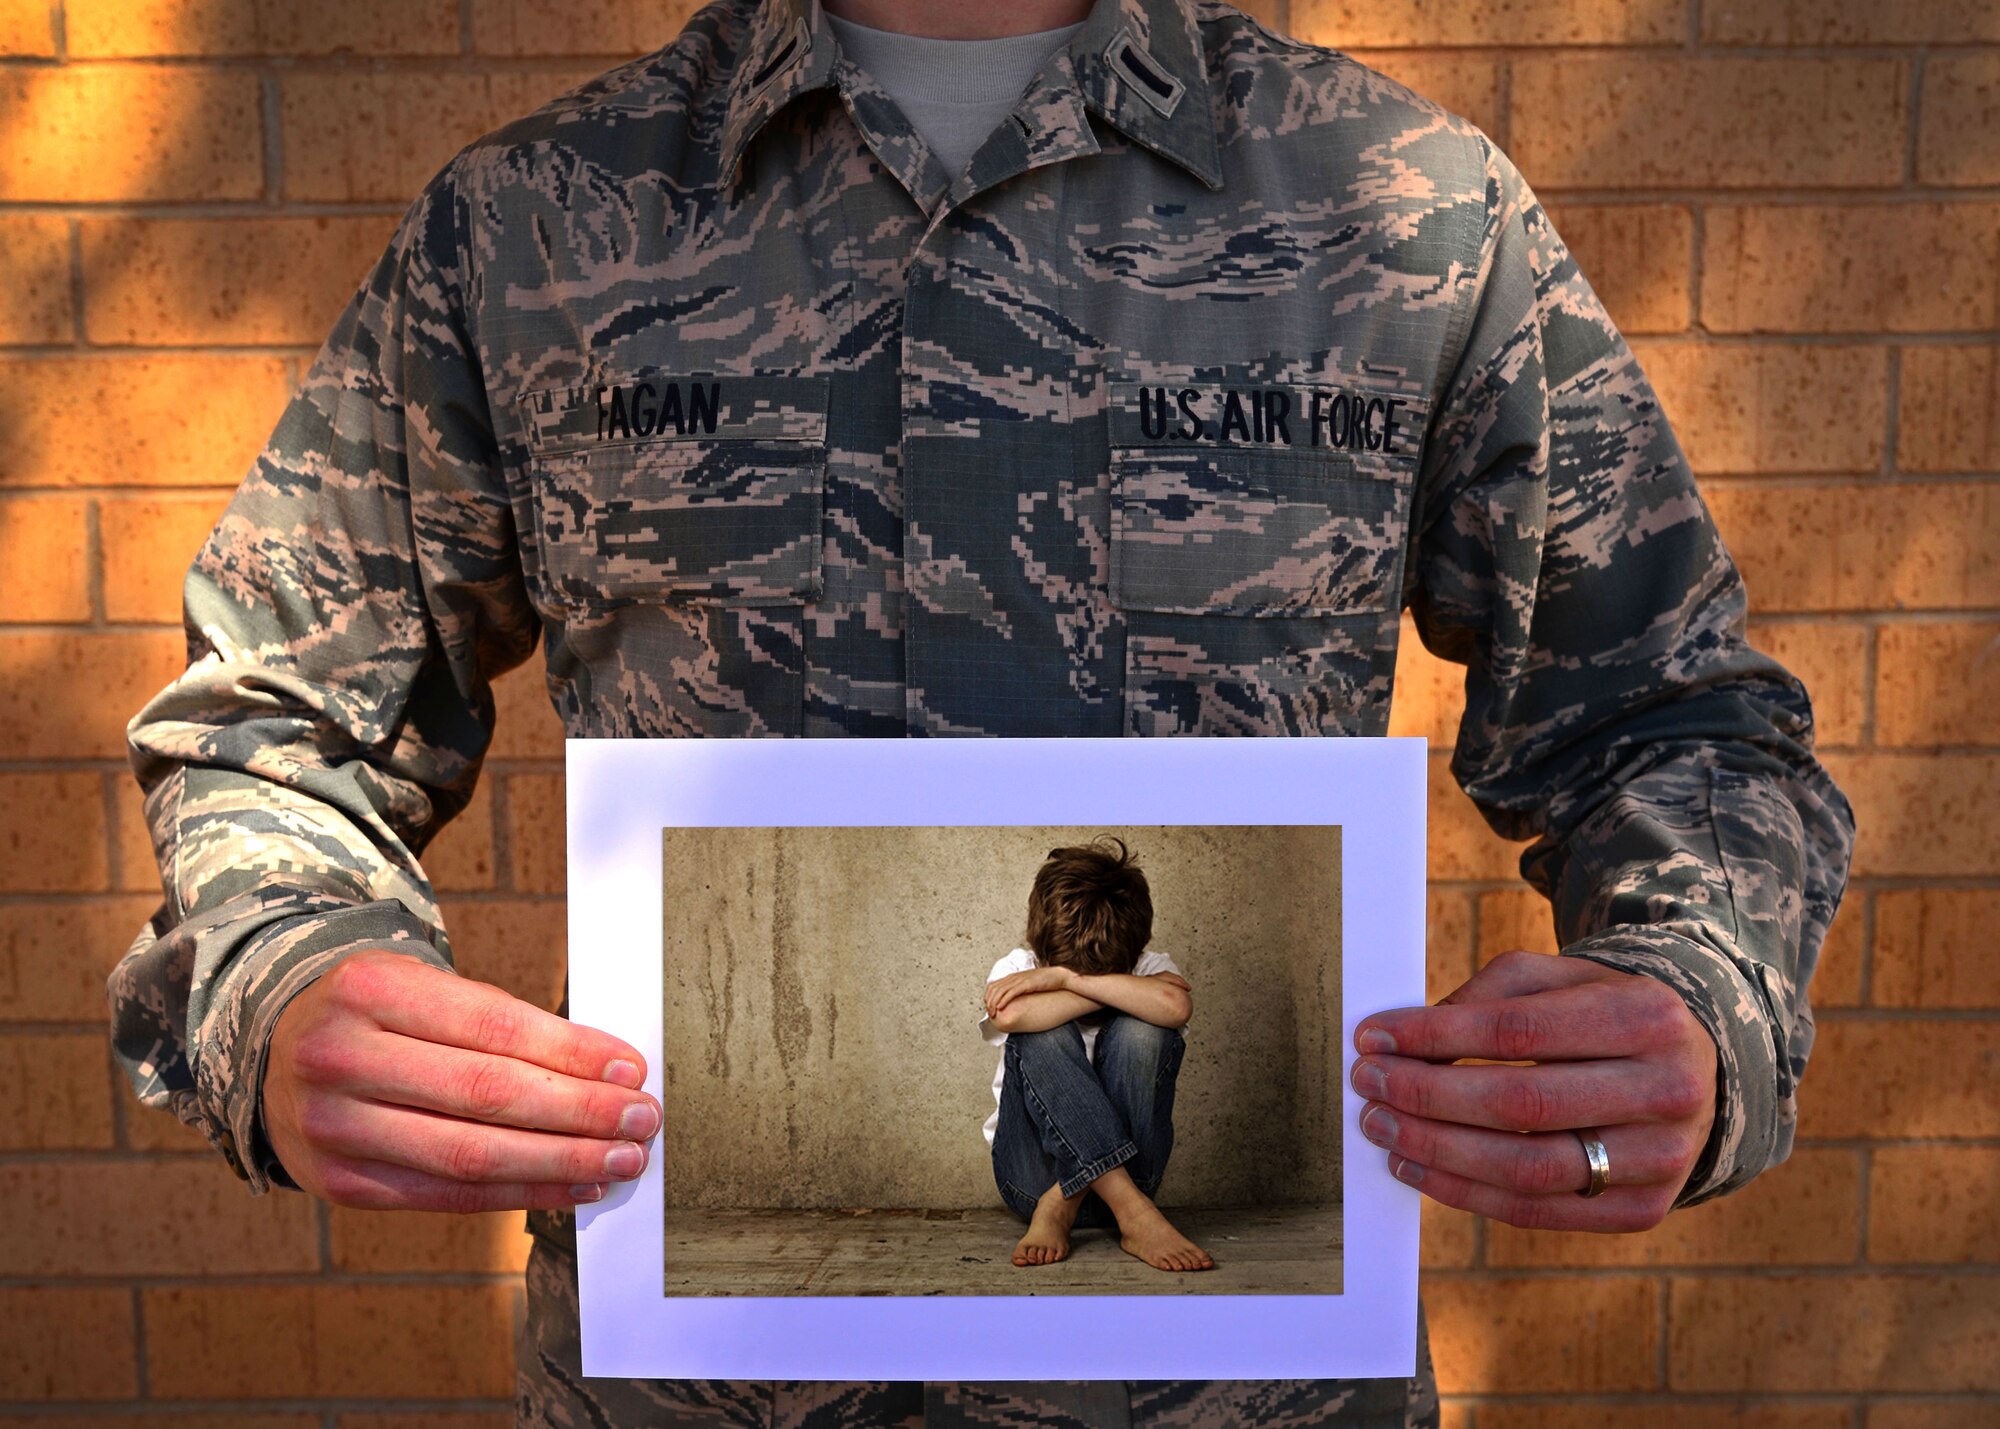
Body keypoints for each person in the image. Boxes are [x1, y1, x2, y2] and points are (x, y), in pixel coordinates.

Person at [103, 0, 1857, 1422]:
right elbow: (277, 724)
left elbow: (1672, 717)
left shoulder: (1412, 211)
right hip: (699, 1382)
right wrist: (289, 968)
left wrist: (1693, 986)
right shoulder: (531, 225)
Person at [978, 838, 1209, 1272]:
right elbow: (1010, 1016)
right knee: (1040, 1033)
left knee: (1145, 1029)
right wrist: (1107, 989)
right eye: (1063, 970)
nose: (1070, 976)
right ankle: (1133, 1215)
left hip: (1137, 1176)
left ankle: (1065, 1201)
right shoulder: (1019, 968)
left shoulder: (1149, 964)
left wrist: (1066, 980)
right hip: (1031, 1181)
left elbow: (1176, 1007)